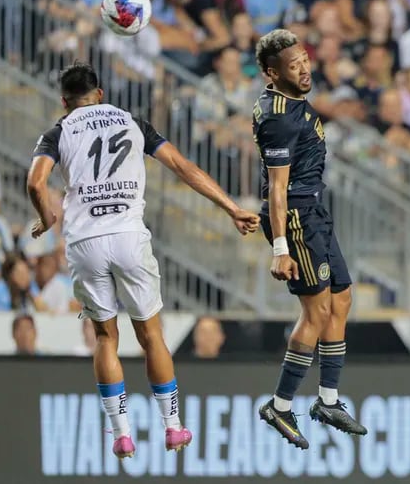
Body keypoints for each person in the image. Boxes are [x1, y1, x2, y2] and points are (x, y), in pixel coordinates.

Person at [26, 62, 259, 458]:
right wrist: (230, 207)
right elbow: (183, 167)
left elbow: (35, 181)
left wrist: (47, 216)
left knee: (105, 338)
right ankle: (172, 428)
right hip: (130, 236)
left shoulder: (59, 131)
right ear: (99, 93)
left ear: (64, 102)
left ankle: (121, 434)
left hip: (85, 241)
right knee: (151, 336)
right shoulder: (133, 122)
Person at [251, 29, 366, 450]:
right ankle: (279, 406)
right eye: (293, 65)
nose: (303, 69)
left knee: (343, 297)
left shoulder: (295, 102)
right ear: (270, 73)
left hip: (314, 211)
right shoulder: (278, 117)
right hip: (295, 217)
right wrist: (280, 247)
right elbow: (276, 188)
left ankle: (329, 401)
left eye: (304, 60)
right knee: (316, 313)